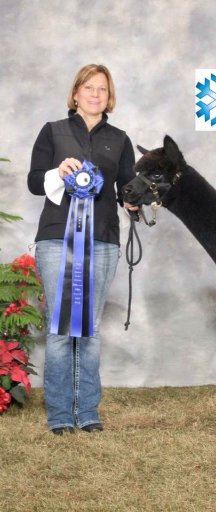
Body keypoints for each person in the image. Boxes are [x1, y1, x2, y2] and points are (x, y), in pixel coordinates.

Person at [28, 64, 136, 434]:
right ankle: (60, 414)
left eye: (102, 89)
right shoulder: (53, 131)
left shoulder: (119, 139)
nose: (95, 94)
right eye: (88, 88)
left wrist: (135, 202)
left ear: (109, 96)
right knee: (61, 329)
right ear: (75, 93)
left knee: (88, 329)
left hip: (103, 240)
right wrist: (59, 173)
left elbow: (126, 189)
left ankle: (87, 412)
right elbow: (32, 182)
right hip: (58, 236)